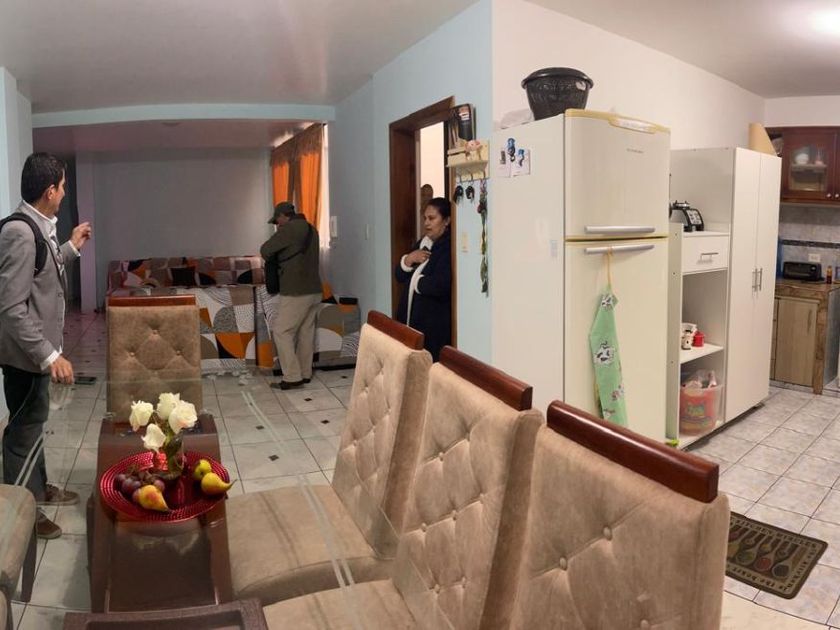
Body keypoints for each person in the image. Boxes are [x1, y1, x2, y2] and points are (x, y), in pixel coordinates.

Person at [0, 152, 92, 539]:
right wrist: (50, 354)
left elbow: (43, 275)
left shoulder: (39, 227)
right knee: (21, 437)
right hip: (25, 358)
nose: (65, 193)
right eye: (63, 187)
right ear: (50, 190)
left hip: (33, 357)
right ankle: (25, 512)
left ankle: (38, 489)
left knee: (34, 427)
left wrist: (70, 246)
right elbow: (11, 308)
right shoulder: (20, 233)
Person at [260, 201, 322, 390]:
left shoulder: (288, 229)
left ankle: (293, 377)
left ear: (283, 216)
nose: (277, 225)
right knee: (306, 332)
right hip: (315, 289)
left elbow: (265, 250)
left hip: (296, 290)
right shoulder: (312, 229)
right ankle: (305, 373)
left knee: (282, 331)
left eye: (277, 221)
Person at [395, 197, 452, 361]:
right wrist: (409, 259)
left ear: (446, 221)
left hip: (433, 324)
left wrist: (416, 281)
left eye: (432, 218)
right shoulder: (423, 243)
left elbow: (441, 285)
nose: (426, 223)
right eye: (425, 218)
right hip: (413, 321)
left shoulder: (448, 247)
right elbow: (399, 275)